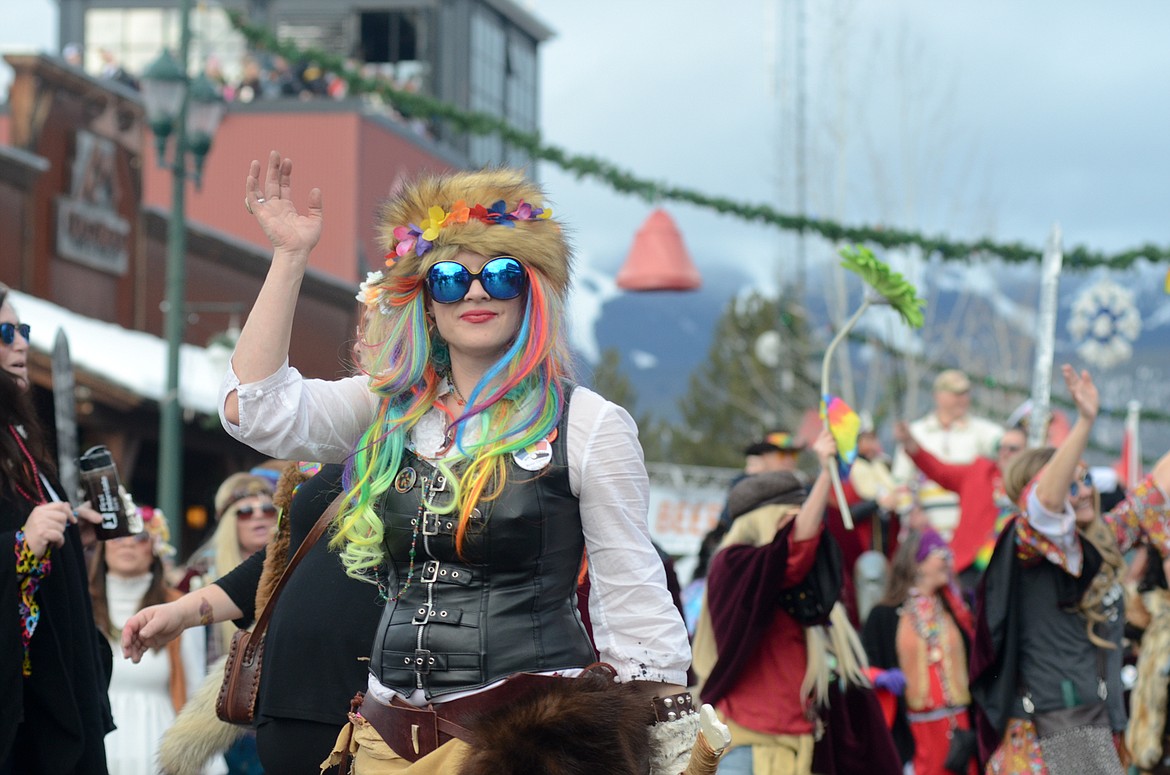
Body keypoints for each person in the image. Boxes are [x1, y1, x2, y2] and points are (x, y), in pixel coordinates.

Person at [124, 157, 695, 773]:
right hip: (383, 739)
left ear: (531, 292)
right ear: (427, 301)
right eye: (449, 277)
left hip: (525, 745)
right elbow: (257, 412)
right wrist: (289, 259)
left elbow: (633, 596)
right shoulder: (388, 409)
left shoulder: (589, 424)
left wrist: (661, 739)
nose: (475, 291)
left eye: (500, 274)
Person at [970, 365, 1170, 774]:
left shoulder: (1100, 538)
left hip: (1092, 723)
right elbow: (1044, 505)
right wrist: (1085, 422)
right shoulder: (1027, 544)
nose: (1083, 493)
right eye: (1071, 484)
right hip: (1049, 732)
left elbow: (1158, 489)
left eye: (1085, 480)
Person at [693, 430, 902, 774]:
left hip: (793, 737)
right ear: (764, 519)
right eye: (789, 516)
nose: (799, 524)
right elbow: (793, 550)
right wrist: (824, 473)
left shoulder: (770, 576)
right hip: (749, 743)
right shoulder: (737, 564)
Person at [0, 283, 114, 773]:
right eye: (5, 333)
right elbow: (18, 541)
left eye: (22, 331)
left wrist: (67, 542)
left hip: (52, 697)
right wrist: (21, 544)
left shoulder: (17, 440)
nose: (22, 344)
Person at [89, 506, 225, 775]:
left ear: (154, 548)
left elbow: (194, 684)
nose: (128, 543)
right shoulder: (81, 603)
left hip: (157, 739)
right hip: (96, 739)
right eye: (117, 536)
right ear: (103, 548)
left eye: (139, 537)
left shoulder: (179, 606)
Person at [862, 528, 976, 774]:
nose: (947, 557)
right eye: (938, 551)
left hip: (962, 731)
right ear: (917, 563)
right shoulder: (883, 616)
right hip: (917, 737)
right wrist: (880, 677)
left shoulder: (958, 610)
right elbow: (862, 667)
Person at [894, 421, 1028, 590]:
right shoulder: (980, 471)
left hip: (1011, 571)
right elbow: (940, 471)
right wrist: (910, 442)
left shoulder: (1034, 484)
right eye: (1001, 448)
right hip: (969, 568)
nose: (1005, 453)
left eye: (1013, 449)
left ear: (1028, 453)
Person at [891, 369, 1002, 541]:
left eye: (965, 393)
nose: (962, 399)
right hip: (925, 533)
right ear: (938, 396)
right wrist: (911, 513)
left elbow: (1007, 452)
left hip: (970, 532)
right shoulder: (915, 432)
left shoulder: (984, 431)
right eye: (956, 394)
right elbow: (900, 481)